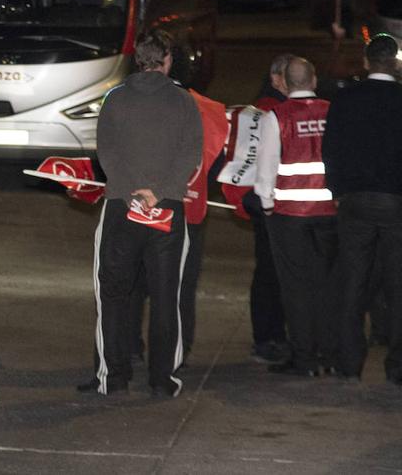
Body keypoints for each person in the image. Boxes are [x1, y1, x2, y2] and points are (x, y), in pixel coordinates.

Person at [78, 29, 202, 397]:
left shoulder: (114, 99)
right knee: (167, 296)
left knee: (113, 294)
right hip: (166, 211)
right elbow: (190, 154)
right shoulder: (183, 101)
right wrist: (159, 192)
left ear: (137, 59)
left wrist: (132, 190)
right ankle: (162, 380)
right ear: (167, 61)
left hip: (120, 206)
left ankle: (113, 376)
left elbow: (106, 151)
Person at [129, 46, 228, 365]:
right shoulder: (208, 109)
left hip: (139, 206)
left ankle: (129, 344)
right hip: (189, 210)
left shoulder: (125, 99)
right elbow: (218, 164)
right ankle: (176, 351)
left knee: (134, 280)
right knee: (180, 284)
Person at [323, 34, 402, 382]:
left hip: (354, 201)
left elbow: (332, 149)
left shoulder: (345, 98)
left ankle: (349, 362)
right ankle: (397, 367)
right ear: (395, 64)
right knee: (398, 286)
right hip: (396, 202)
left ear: (367, 62)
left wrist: (338, 190)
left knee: (353, 282)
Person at [254, 57, 339, 377]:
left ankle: (304, 357)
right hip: (328, 212)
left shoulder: (276, 116)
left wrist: (267, 206)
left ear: (286, 84)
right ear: (314, 79)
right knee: (328, 284)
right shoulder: (331, 110)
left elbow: (266, 169)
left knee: (295, 288)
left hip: (289, 215)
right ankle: (329, 353)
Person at [225, 54, 294, 364]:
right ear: (277, 79)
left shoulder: (263, 109)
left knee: (271, 272)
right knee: (272, 273)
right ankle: (270, 337)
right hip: (273, 206)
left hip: (272, 204)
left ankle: (271, 336)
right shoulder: (267, 112)